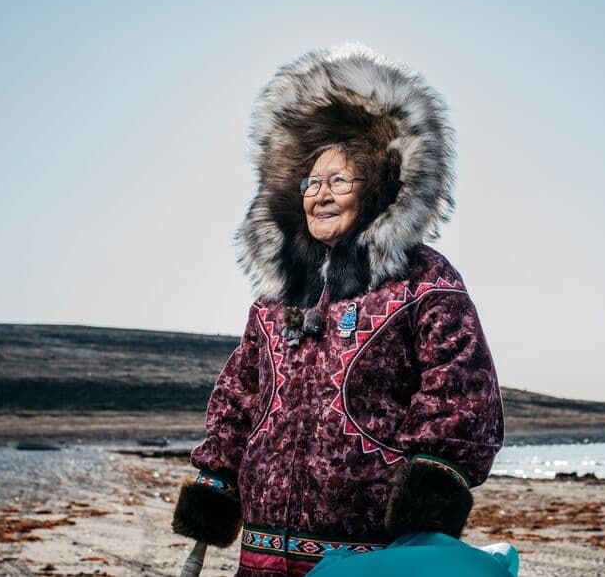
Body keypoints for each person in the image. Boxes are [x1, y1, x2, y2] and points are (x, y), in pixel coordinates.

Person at [172, 43, 505, 577]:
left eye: (339, 181)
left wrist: (424, 498)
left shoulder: (425, 281)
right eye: (311, 182)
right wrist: (212, 486)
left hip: (367, 557)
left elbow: (459, 389)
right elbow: (237, 398)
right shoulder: (277, 299)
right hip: (261, 551)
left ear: (376, 188)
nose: (320, 196)